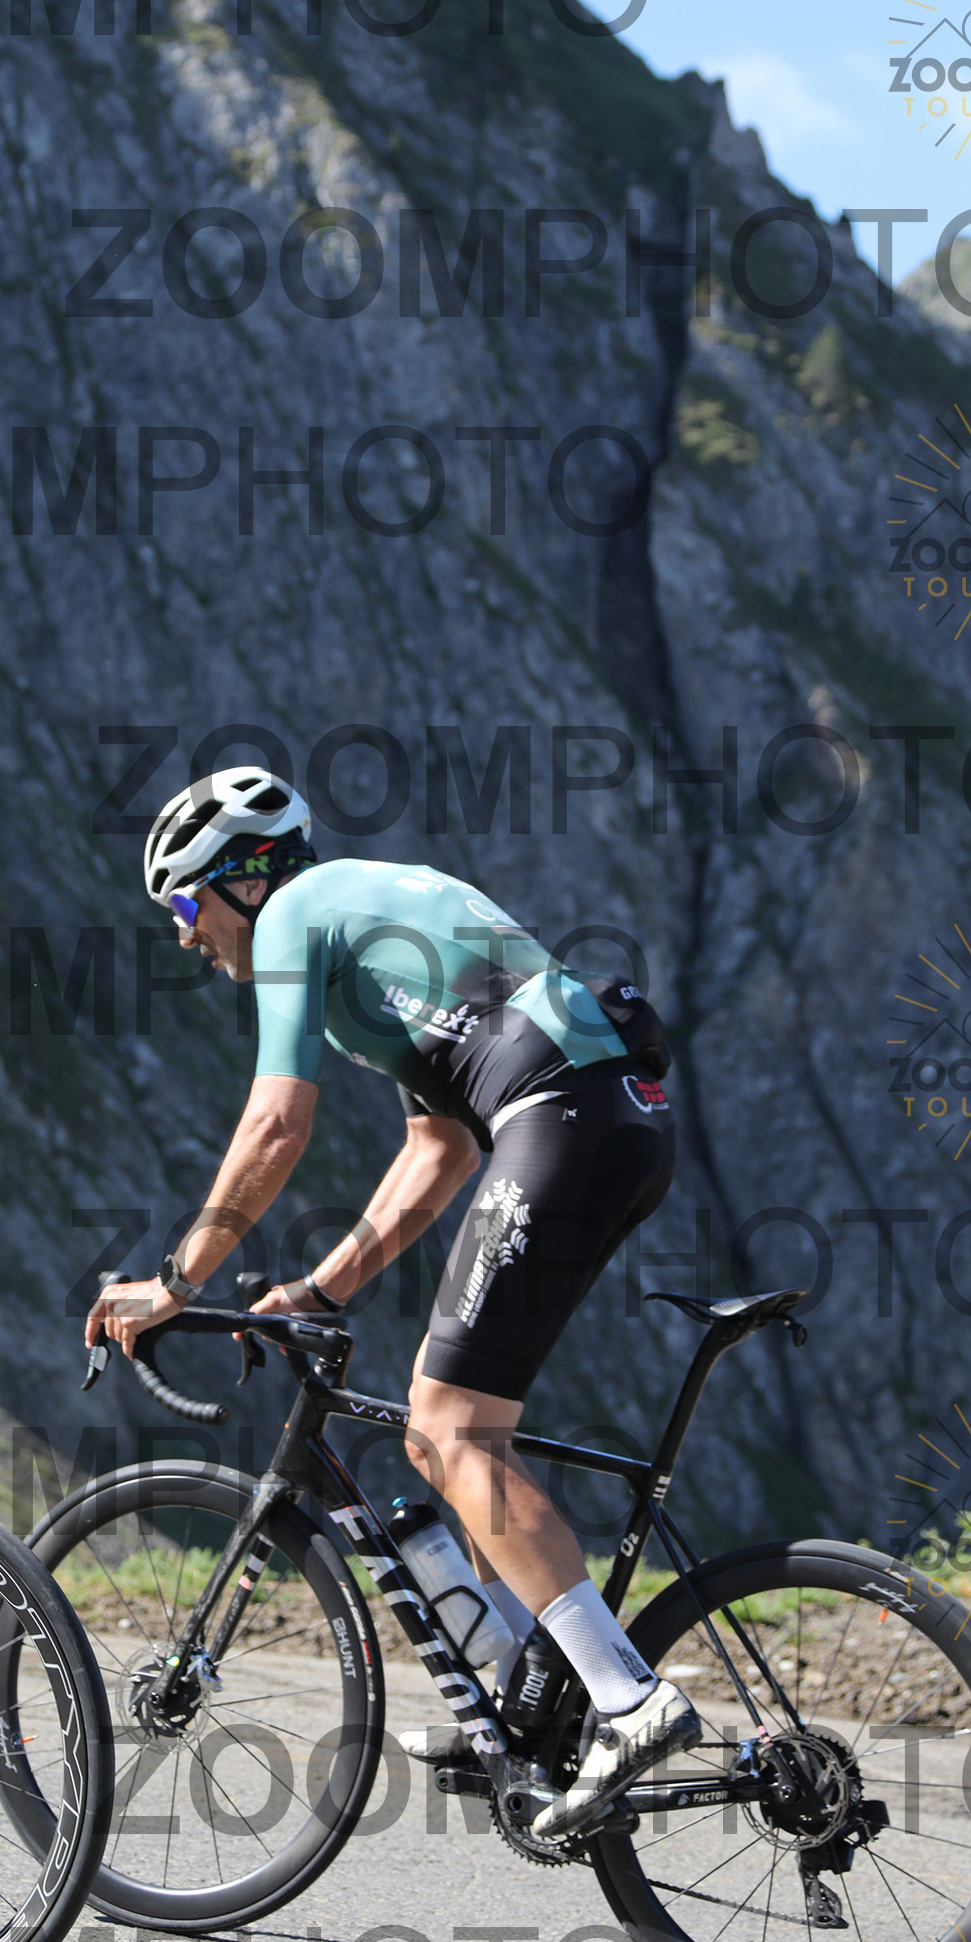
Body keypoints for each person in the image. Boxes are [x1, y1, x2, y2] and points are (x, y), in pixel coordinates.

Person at [87, 766, 699, 1839]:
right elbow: (439, 1146)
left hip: (563, 1116)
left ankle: (626, 1701)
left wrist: (176, 1282)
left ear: (241, 882)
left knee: (448, 1429)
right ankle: (525, 1696)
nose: (185, 934)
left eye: (185, 903)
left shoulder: (294, 918)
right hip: (613, 1119)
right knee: (448, 1432)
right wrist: (319, 1289)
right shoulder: (365, 920)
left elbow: (275, 1126)